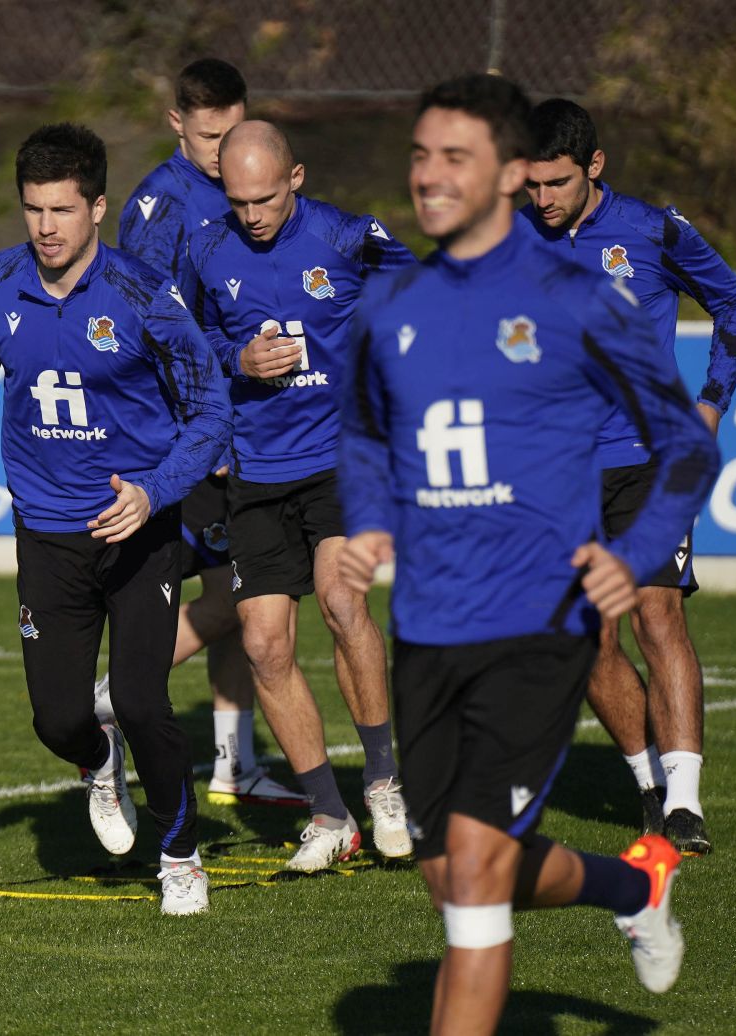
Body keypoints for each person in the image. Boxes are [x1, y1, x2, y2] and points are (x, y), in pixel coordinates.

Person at [337, 74, 720, 1035]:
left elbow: (686, 445)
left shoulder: (579, 299)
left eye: (454, 157)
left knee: (471, 878)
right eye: (420, 154)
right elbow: (366, 435)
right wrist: (371, 521)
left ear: (510, 173)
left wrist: (631, 553)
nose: (429, 176)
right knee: (454, 871)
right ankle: (631, 890)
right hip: (428, 626)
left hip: (536, 625)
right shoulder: (393, 306)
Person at [0, 122, 232, 916]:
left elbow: (209, 409)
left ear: (97, 207)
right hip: (47, 532)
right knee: (60, 718)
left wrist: (154, 493)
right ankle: (100, 765)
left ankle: (180, 852)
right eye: (33, 210)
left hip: (138, 532)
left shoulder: (141, 294)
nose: (46, 228)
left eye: (62, 209)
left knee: (140, 700)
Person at [518, 98, 736, 855]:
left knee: (659, 616)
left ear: (594, 167)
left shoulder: (654, 231)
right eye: (531, 185)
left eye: (556, 183)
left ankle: (685, 805)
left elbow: (733, 303)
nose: (543, 200)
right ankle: (649, 787)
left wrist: (712, 403)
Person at [181, 120, 416, 871]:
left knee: (345, 604)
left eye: (265, 198)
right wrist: (236, 359)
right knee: (263, 643)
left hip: (343, 459)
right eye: (238, 199)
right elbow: (185, 344)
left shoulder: (349, 239)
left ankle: (383, 783)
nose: (251, 214)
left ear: (297, 179)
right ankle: (329, 814)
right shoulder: (206, 247)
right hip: (254, 470)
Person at [110, 57, 304, 808]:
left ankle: (233, 763)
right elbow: (148, 330)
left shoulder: (235, 185)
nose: (225, 152)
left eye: (234, 133)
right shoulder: (161, 207)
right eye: (209, 137)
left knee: (239, 597)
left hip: (239, 425)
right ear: (176, 125)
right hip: (189, 437)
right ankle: (106, 700)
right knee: (233, 599)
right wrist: (204, 435)